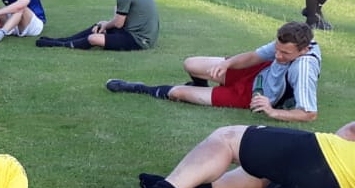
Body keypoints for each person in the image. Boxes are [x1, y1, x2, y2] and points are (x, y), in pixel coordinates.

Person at [105, 120, 355, 188]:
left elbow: (350, 131)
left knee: (227, 137)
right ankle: (191, 186)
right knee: (271, 173)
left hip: (332, 161)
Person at [104, 22, 321, 122]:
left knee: (178, 93)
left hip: (255, 95)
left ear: (303, 50)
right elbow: (254, 57)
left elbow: (309, 113)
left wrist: (272, 111)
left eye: (285, 53)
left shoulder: (303, 68)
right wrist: (228, 64)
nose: (278, 55)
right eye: (277, 49)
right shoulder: (293, 41)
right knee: (191, 64)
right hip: (258, 72)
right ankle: (200, 87)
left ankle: (137, 88)